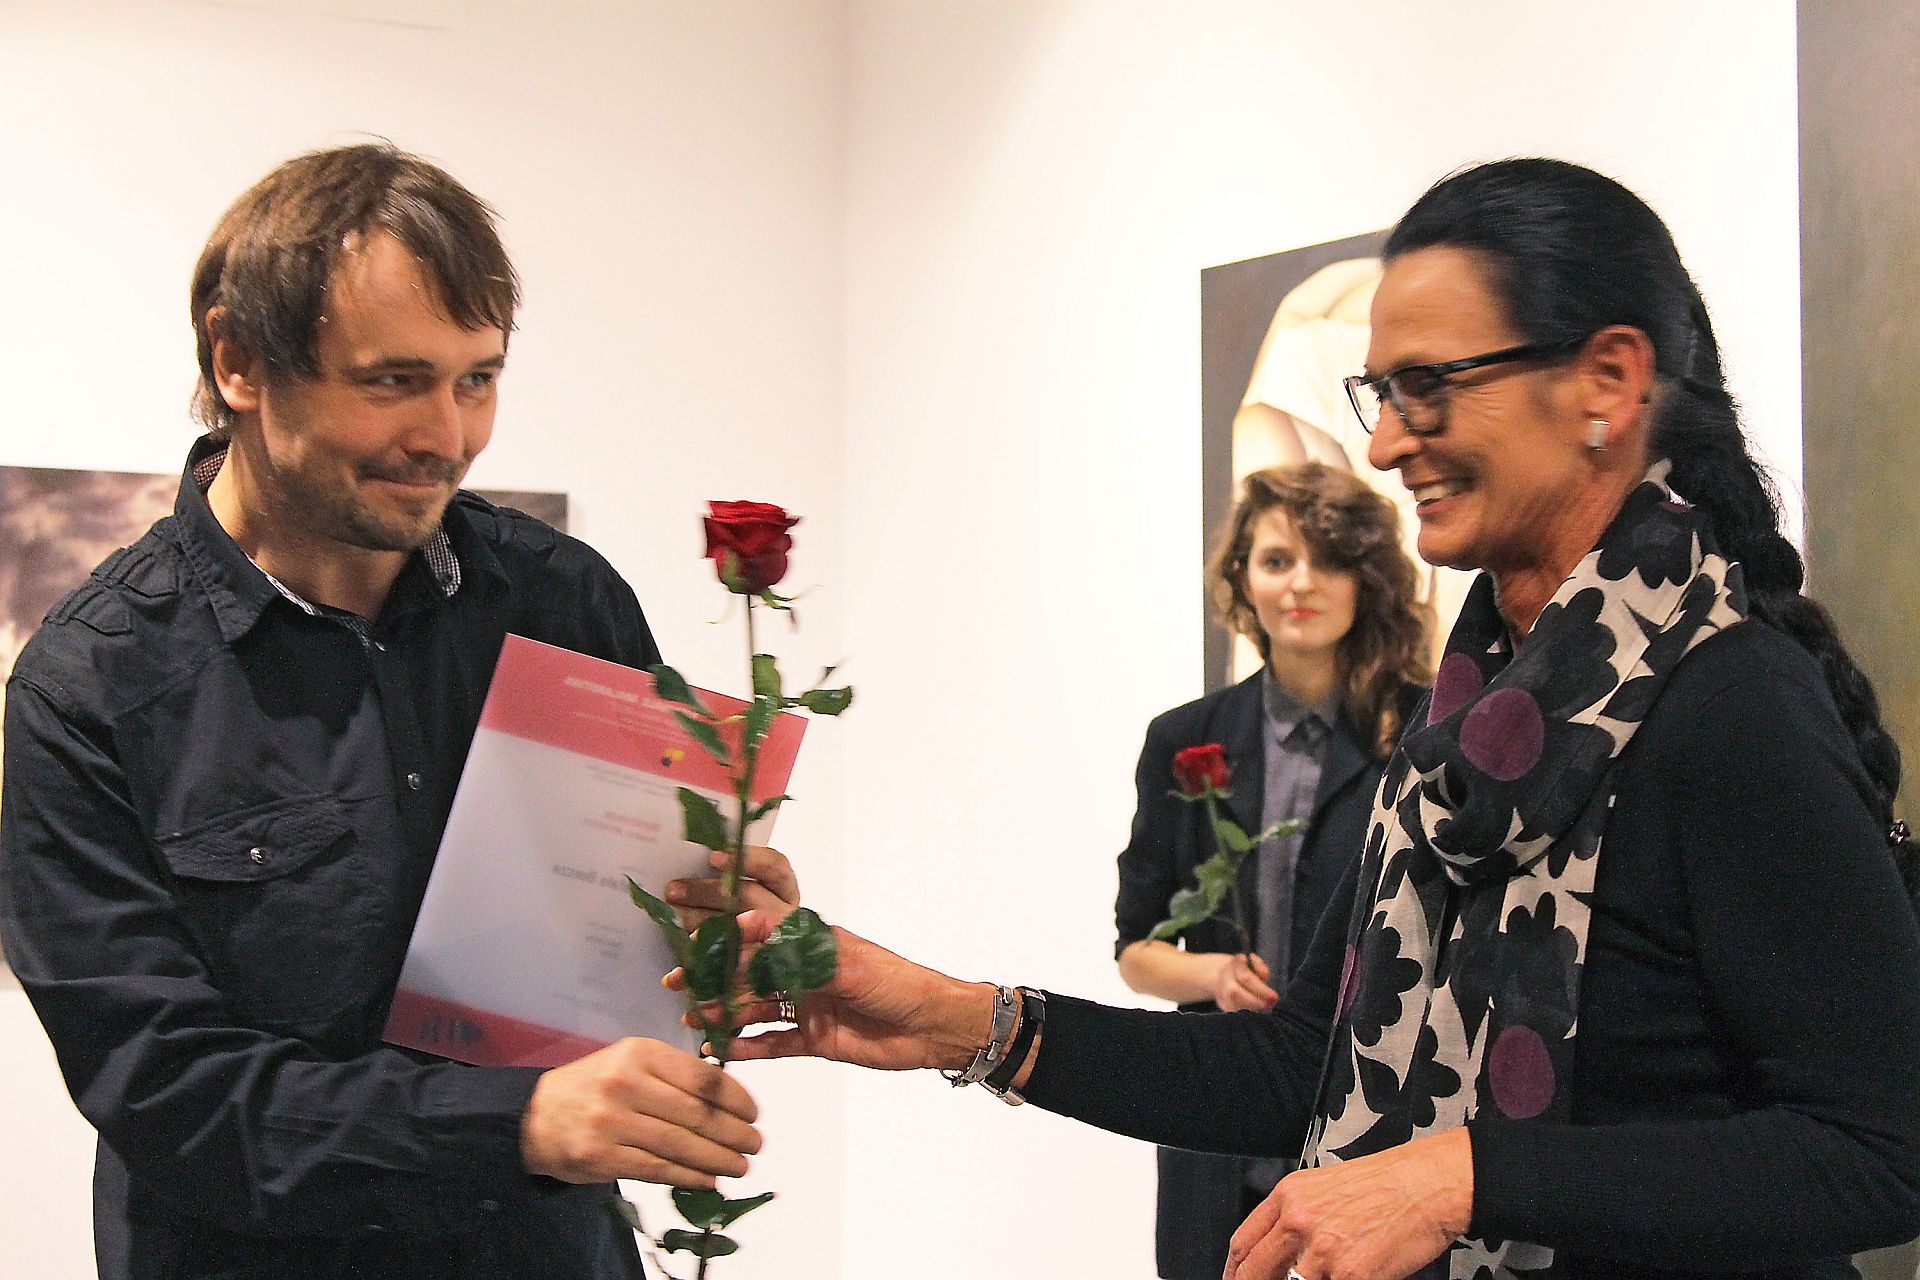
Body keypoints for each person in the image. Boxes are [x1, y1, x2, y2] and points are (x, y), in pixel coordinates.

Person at [695, 159, 1920, 1279]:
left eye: (1428, 388)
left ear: (1606, 380)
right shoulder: (1469, 726)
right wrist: (956, 1017)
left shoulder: (1730, 704)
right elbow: (1298, 1064)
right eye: (1379, 392)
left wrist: (1463, 1174)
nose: (1383, 444)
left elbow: (1882, 1148)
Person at [0, 144, 762, 1280]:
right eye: (394, 381)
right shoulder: (90, 685)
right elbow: (167, 1091)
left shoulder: (563, 600)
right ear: (239, 361)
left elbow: (626, 955)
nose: (447, 437)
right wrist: (516, 1123)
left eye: (478, 380)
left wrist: (713, 921)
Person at [1114, 462, 1430, 1279]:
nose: (1301, 583)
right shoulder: (1184, 740)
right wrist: (1213, 975)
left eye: (1328, 560)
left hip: (1377, 1124)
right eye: (1277, 560)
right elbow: (1135, 952)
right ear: (1242, 579)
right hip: (1215, 1128)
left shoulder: (1425, 731)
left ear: (1366, 578)